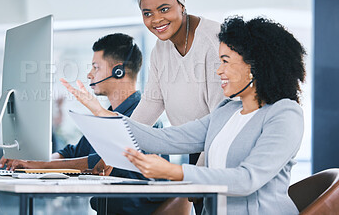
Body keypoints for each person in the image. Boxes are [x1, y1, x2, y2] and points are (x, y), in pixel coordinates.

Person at [62, 0, 224, 213]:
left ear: (181, 3)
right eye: (147, 13)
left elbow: (222, 119)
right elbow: (150, 106)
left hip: (221, 151)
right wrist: (115, 154)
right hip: (195, 150)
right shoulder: (160, 50)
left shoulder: (213, 40)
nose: (156, 20)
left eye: (164, 9)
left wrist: (197, 176)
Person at [120, 16, 306, 214]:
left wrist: (175, 172)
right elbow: (167, 139)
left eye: (225, 61)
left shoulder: (285, 114)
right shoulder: (227, 111)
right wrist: (107, 118)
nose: (219, 71)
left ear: (255, 66)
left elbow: (247, 180)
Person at [0, 33, 167, 215]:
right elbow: (72, 153)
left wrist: (37, 165)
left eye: (95, 67)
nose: (89, 74)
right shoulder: (108, 116)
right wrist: (28, 160)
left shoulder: (145, 117)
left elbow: (101, 163)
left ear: (118, 71)